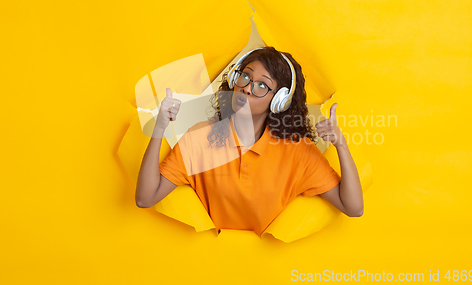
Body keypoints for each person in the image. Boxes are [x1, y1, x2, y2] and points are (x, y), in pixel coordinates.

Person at [135, 46, 364, 236]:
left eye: (262, 85)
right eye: (245, 76)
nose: (246, 88)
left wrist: (340, 144)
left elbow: (353, 207)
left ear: (280, 101)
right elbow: (146, 198)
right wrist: (160, 127)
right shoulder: (200, 137)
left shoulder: (299, 153)